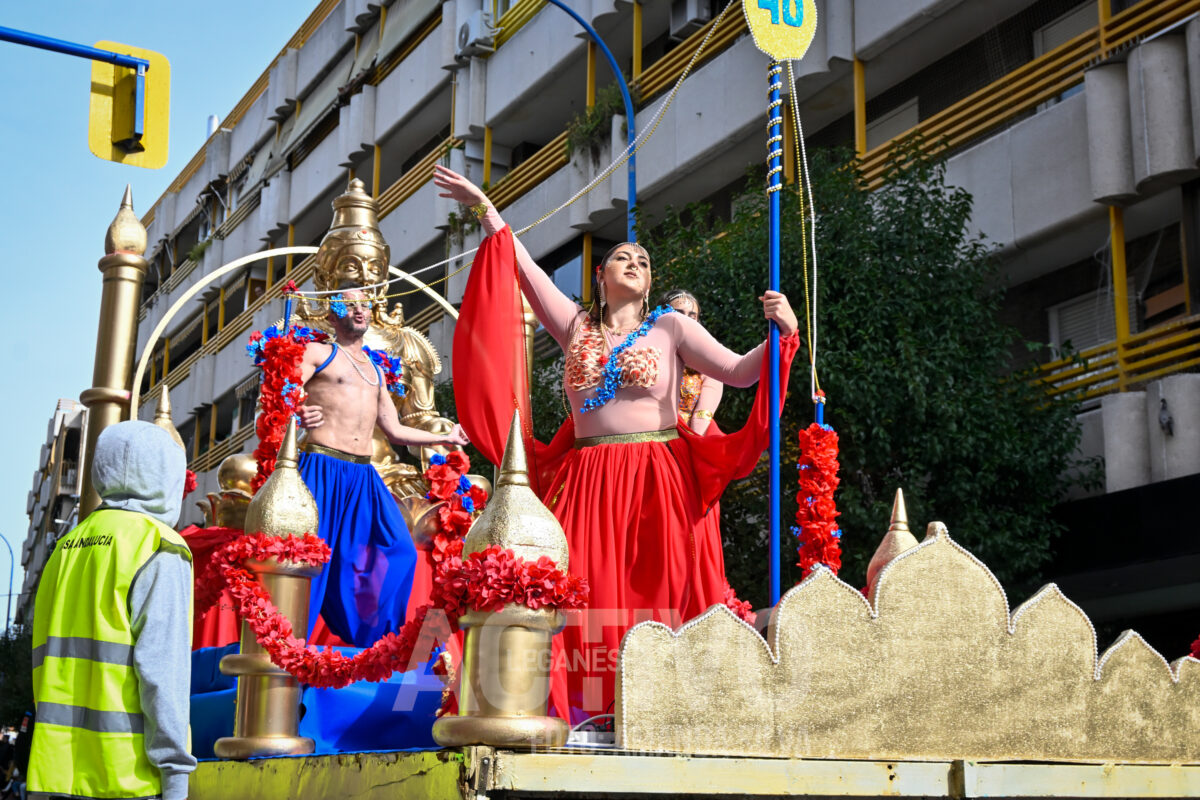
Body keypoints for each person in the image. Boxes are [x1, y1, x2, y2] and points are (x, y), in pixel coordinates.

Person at [434, 164, 800, 722]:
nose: (636, 263)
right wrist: (484, 206)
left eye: (645, 261)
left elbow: (742, 371)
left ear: (650, 282)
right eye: (625, 257)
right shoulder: (576, 325)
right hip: (586, 478)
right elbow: (523, 267)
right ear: (601, 275)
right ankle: (579, 711)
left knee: (654, 595)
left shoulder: (671, 328)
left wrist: (784, 332)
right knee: (576, 590)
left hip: (656, 477)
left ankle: (655, 712)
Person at [29, 421, 195, 800]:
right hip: (127, 778)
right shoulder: (159, 547)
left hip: (56, 774)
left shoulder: (66, 548)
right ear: (168, 474)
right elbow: (162, 674)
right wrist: (176, 777)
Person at [295, 288, 469, 647]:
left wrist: (448, 437)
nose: (359, 310)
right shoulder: (317, 353)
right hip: (322, 466)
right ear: (331, 316)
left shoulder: (376, 369)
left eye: (365, 305)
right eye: (349, 304)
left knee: (400, 551)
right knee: (309, 561)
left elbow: (395, 431)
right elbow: (276, 399)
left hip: (363, 475)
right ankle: (286, 647)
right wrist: (297, 411)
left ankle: (375, 644)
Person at [660, 289, 724, 434]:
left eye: (692, 316)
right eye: (678, 314)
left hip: (687, 439)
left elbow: (702, 417)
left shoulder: (709, 361)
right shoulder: (644, 352)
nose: (686, 320)